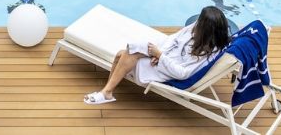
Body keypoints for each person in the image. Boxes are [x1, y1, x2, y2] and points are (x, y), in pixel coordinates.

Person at [83, 6, 230, 104]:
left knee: (126, 54)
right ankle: (107, 91)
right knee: (122, 53)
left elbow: (183, 73)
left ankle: (107, 92)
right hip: (161, 57)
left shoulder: (207, 54)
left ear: (206, 29)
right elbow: (173, 38)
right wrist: (160, 53)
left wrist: (161, 57)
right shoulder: (194, 28)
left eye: (200, 22)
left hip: (166, 70)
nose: (196, 24)